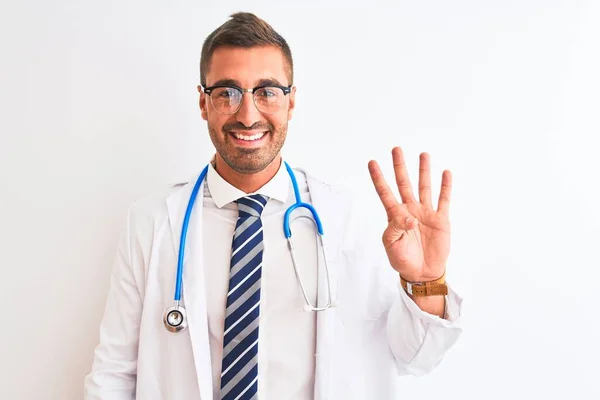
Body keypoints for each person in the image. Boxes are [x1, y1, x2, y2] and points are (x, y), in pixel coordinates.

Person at [84, 11, 463, 400]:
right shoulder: (151, 222)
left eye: (266, 91)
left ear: (291, 101)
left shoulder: (345, 219)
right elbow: (113, 375)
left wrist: (425, 281)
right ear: (203, 102)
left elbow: (416, 359)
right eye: (227, 93)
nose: (248, 115)